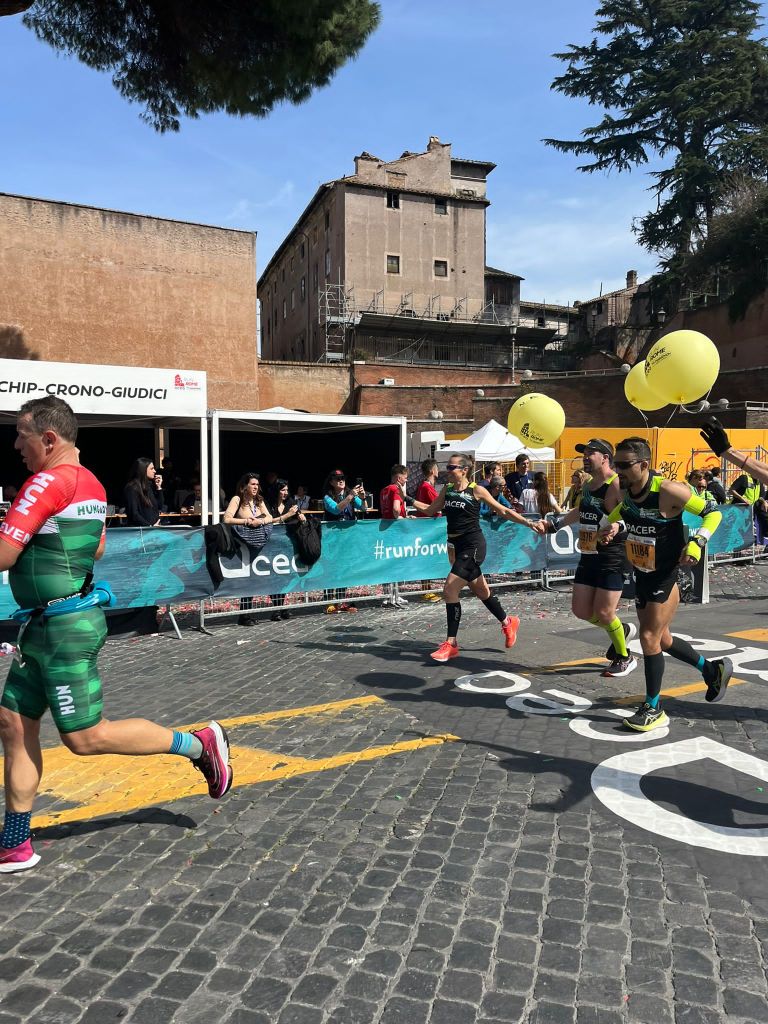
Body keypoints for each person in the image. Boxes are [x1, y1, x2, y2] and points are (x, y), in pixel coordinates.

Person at [0, 397, 233, 873]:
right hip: (45, 624)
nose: (16, 446)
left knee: (85, 738)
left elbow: (3, 554)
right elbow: (98, 549)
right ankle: (15, 841)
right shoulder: (90, 483)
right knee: (13, 724)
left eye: (22, 435)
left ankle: (199, 744)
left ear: (48, 438)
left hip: (63, 628)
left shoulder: (46, 481)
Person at [597, 436, 732, 732]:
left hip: (667, 574)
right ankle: (712, 670)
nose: (617, 470)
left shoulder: (668, 490)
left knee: (649, 637)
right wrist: (612, 526)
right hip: (643, 572)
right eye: (616, 464)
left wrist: (697, 542)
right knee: (663, 639)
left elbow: (713, 513)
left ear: (644, 465)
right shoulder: (626, 489)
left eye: (624, 465)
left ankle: (654, 708)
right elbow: (623, 511)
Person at [419, 454, 547, 662]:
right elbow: (430, 509)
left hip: (474, 546)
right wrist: (406, 498)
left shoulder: (476, 490)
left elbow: (503, 510)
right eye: (447, 466)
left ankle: (451, 643)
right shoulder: (447, 490)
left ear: (464, 470)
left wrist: (529, 523)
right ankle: (508, 622)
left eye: (452, 467)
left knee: (450, 589)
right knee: (481, 591)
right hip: (455, 546)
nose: (447, 470)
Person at [546, 439, 636, 678]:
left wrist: (617, 526)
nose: (585, 457)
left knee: (605, 612)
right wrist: (556, 524)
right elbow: (580, 511)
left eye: (590, 453)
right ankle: (620, 629)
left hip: (611, 556)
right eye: (584, 454)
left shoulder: (616, 484)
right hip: (588, 554)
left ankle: (625, 657)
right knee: (581, 610)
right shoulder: (587, 485)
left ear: (605, 457)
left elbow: (633, 515)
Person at [223, 472, 273, 625]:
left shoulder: (259, 501)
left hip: (258, 544)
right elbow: (227, 519)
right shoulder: (237, 499)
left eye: (257, 484)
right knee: (246, 580)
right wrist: (245, 521)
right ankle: (244, 615)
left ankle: (248, 613)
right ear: (244, 486)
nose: (255, 487)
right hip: (242, 545)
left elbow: (269, 517)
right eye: (252, 484)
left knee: (254, 580)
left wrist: (260, 521)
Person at [322, 470, 367, 612]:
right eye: (337, 479)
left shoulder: (350, 494)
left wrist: (363, 497)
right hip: (333, 539)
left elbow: (364, 508)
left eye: (342, 478)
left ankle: (341, 600)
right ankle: (329, 602)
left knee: (345, 569)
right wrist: (351, 496)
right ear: (331, 482)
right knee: (331, 569)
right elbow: (336, 509)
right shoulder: (327, 497)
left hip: (347, 538)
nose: (341, 480)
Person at [266, 479, 305, 620]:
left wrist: (301, 517)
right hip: (271, 544)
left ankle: (281, 607)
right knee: (273, 577)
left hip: (287, 544)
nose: (285, 493)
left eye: (287, 490)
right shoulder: (268, 504)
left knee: (284, 576)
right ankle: (276, 608)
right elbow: (269, 521)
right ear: (276, 491)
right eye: (282, 490)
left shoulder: (291, 502)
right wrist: (287, 515)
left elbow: (300, 517)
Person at [123, 457, 165, 527]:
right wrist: (149, 526)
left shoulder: (148, 486)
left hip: (152, 529)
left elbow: (159, 506)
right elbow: (134, 514)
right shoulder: (132, 488)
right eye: (151, 468)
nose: (154, 471)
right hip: (141, 530)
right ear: (143, 470)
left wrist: (159, 487)